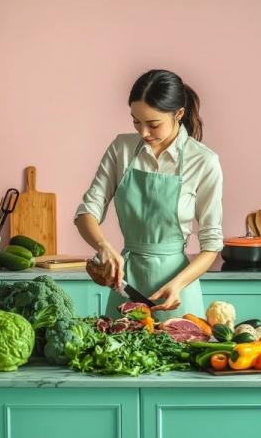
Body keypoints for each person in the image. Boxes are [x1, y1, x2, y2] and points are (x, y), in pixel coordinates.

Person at [74, 69, 223, 320]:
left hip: (176, 293)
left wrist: (178, 285)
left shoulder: (204, 161)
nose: (143, 133)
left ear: (178, 114)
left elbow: (211, 245)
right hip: (126, 284)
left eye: (153, 124)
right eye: (136, 121)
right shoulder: (121, 149)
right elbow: (86, 211)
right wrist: (104, 247)